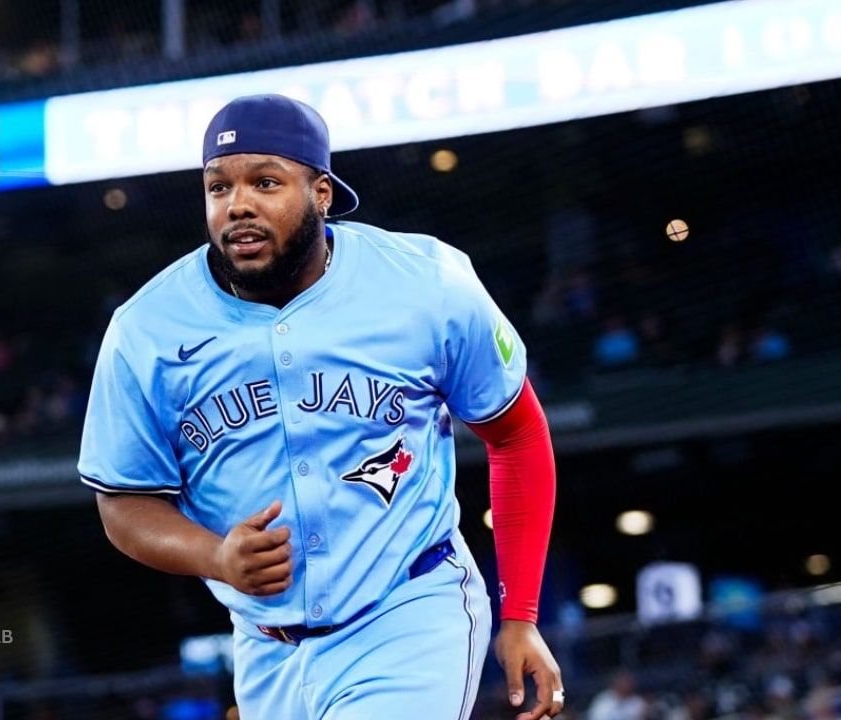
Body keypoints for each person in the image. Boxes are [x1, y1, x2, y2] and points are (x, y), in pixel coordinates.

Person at [77, 93, 564, 720]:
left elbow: (516, 435)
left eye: (266, 181)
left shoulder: (424, 282)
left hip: (408, 612)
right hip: (265, 651)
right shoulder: (145, 328)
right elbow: (122, 503)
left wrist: (521, 613)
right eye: (218, 187)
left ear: (323, 193)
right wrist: (214, 556)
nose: (239, 204)